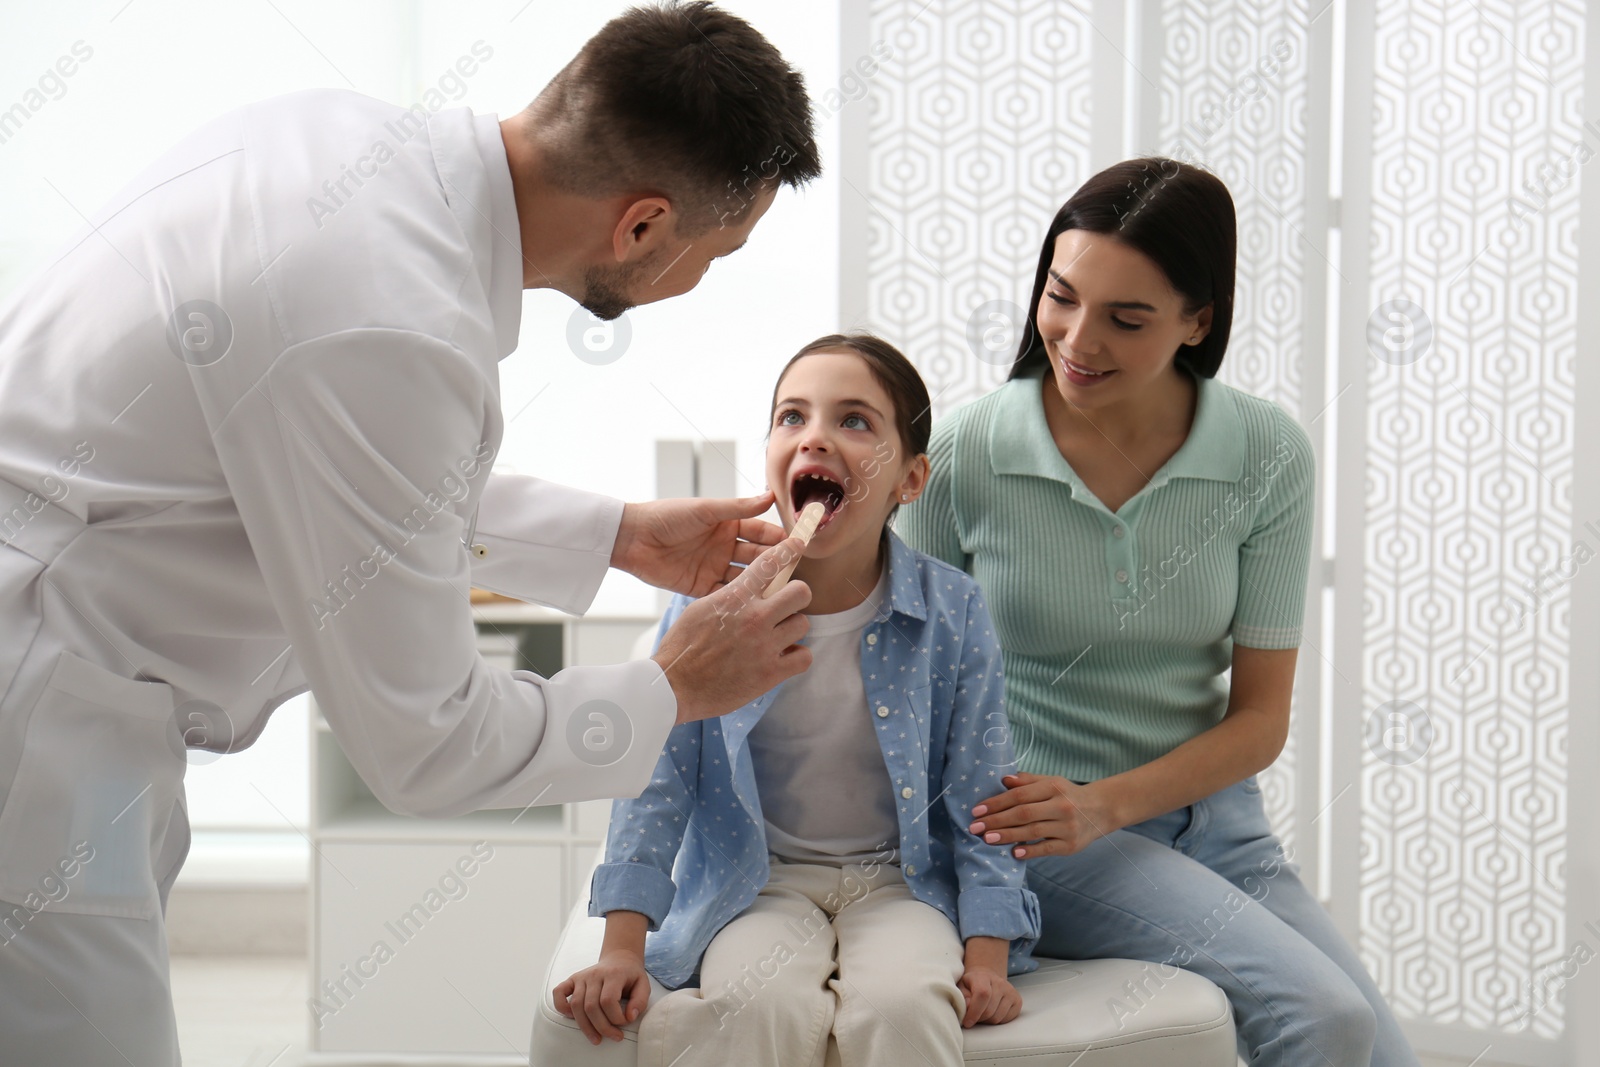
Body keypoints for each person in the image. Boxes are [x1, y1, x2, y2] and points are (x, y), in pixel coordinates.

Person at [0, 5, 822, 1064]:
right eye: (720, 249)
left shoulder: (339, 142)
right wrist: (671, 683)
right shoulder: (389, 320)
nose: (704, 280)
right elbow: (425, 744)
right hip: (36, 722)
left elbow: (319, 468)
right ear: (643, 226)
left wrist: (615, 535)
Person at [897, 158, 1420, 1066]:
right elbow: (916, 698)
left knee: (1378, 1047)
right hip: (1042, 828)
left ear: (1197, 321)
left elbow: (1259, 717)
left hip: (1216, 823)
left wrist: (1116, 802)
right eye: (1060, 297)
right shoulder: (964, 454)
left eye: (1126, 318)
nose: (1076, 338)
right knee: (1326, 1019)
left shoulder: (1266, 455)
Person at [554, 334, 1041, 1066]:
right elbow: (654, 785)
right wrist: (623, 945)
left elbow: (981, 794)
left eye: (854, 420)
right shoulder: (713, 605)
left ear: (910, 479)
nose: (814, 435)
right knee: (751, 1005)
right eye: (792, 417)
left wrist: (988, 954)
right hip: (761, 882)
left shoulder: (955, 610)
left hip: (898, 882)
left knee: (905, 1005)